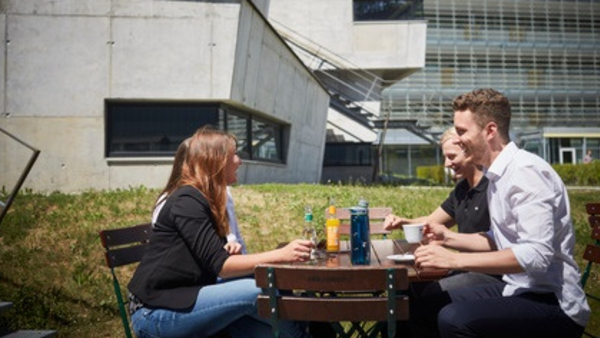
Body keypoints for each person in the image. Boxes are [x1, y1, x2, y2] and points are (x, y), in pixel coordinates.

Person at [411, 88, 590, 338]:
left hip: (553, 302)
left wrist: (453, 260)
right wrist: (447, 238)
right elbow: (499, 238)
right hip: (516, 288)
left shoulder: (526, 173)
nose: (458, 139)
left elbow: (536, 255)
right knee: (419, 308)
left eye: (462, 131)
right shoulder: (497, 174)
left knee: (454, 320)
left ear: (490, 131)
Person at [128, 126, 313, 338]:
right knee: (257, 291)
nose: (240, 161)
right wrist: (281, 255)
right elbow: (222, 268)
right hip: (155, 313)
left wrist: (223, 250)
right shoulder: (186, 200)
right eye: (234, 154)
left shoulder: (204, 200)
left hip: (183, 302)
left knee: (269, 332)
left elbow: (208, 257)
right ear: (217, 160)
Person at [384, 127, 500, 294]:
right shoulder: (462, 190)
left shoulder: (493, 188)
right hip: (464, 267)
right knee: (409, 287)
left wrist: (448, 244)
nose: (446, 164)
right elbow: (432, 221)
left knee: (432, 293)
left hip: (490, 273)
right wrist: (403, 222)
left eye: (451, 156)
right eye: (445, 157)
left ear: (469, 151)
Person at [152, 137, 245, 255]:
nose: (239, 161)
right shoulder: (184, 202)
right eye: (233, 154)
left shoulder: (221, 194)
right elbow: (215, 260)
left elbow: (232, 241)